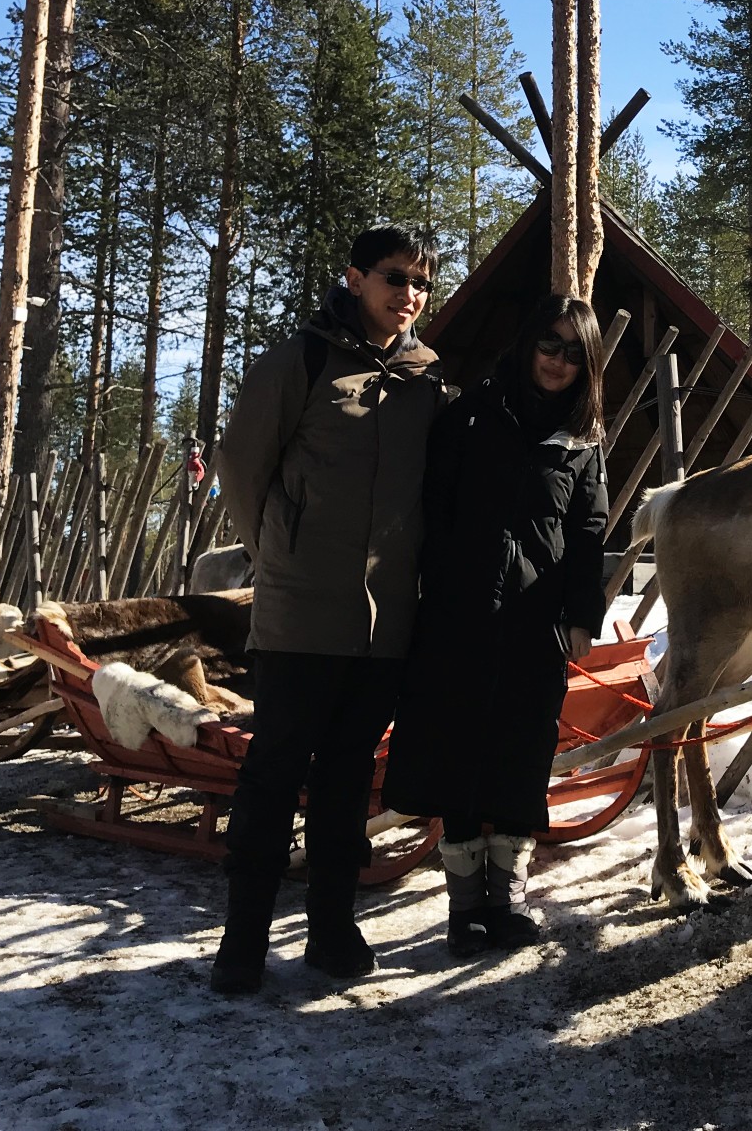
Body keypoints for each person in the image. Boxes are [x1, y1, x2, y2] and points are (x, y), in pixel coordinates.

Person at [208, 225, 447, 995]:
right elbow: (242, 468)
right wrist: (280, 552)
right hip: (300, 617)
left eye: (420, 282)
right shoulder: (300, 361)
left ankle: (331, 930)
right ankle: (242, 942)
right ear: (353, 278)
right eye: (393, 277)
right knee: (273, 779)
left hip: (383, 629)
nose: (407, 294)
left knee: (348, 785)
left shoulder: (425, 382)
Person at [382, 294, 609, 957]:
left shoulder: (581, 441)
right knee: (458, 752)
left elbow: (588, 534)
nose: (558, 362)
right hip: (458, 615)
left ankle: (506, 898)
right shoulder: (471, 416)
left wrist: (582, 615)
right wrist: (433, 590)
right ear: (527, 343)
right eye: (549, 345)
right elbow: (429, 511)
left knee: (519, 754)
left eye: (574, 352)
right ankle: (463, 908)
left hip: (535, 625)